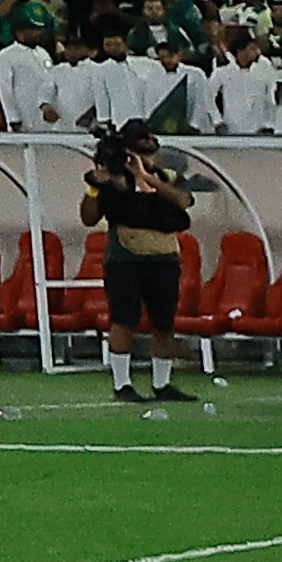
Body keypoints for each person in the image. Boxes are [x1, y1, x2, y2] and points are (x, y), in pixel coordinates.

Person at [82, 120, 195, 402]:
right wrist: (96, 186)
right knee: (124, 320)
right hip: (125, 257)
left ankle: (162, 383)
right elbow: (88, 217)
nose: (146, 158)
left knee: (164, 323)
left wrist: (148, 177)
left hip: (164, 256)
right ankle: (122, 384)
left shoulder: (166, 176)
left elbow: (183, 201)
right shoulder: (112, 179)